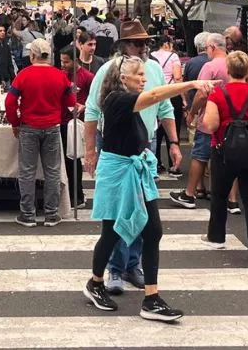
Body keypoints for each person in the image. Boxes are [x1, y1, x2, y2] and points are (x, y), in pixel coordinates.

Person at [81, 56, 204, 321]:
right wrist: (190, 83)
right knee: (112, 232)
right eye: (139, 75)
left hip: (135, 170)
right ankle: (96, 282)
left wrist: (172, 141)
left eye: (144, 74)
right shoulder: (116, 99)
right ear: (123, 78)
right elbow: (157, 95)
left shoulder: (128, 100)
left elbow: (157, 103)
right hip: (118, 173)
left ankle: (151, 298)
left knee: (152, 231)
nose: (144, 79)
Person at [83, 20, 179, 295]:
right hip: (116, 145)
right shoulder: (109, 72)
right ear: (124, 46)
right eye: (138, 42)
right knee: (118, 216)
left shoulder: (153, 70)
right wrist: (90, 150)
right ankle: (114, 268)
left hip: (144, 144)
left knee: (144, 217)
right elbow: (91, 112)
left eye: (146, 42)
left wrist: (173, 142)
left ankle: (132, 265)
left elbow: (164, 107)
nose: (143, 47)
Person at [200, 50, 248, 266]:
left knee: (219, 194)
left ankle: (216, 237)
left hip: (223, 151)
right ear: (247, 70)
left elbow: (211, 125)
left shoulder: (217, 94)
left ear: (228, 70)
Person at [6, 39, 74, 227]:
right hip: (52, 126)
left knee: (27, 171)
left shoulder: (23, 75)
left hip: (28, 126)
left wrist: (14, 122)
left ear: (32, 55)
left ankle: (28, 213)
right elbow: (71, 101)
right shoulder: (60, 76)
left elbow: (10, 102)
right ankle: (51, 213)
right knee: (52, 171)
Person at [171, 33, 229, 210]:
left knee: (199, 155)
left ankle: (190, 193)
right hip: (231, 117)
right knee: (224, 158)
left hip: (209, 117)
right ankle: (224, 195)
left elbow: (201, 93)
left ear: (212, 47)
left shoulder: (210, 66)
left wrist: (192, 112)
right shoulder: (234, 64)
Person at [60, 46, 94, 208]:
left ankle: (77, 195)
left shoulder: (87, 77)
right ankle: (68, 195)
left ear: (75, 60)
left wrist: (84, 106)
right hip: (62, 121)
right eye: (61, 61)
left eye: (66, 62)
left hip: (78, 124)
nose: (63, 65)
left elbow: (96, 97)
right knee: (65, 161)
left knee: (74, 160)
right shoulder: (61, 75)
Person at [150, 37, 183, 175]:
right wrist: (184, 98)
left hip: (156, 94)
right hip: (171, 94)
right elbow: (177, 77)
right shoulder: (173, 56)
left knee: (156, 130)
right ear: (166, 44)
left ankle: (156, 162)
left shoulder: (152, 56)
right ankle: (173, 165)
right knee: (173, 128)